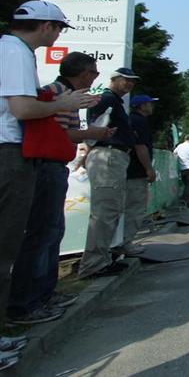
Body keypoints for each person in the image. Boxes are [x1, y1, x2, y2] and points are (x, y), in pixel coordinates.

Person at [7, 51, 110, 327]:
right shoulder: (57, 94)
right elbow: (59, 133)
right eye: (94, 72)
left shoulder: (66, 95)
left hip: (54, 165)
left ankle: (44, 294)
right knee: (42, 233)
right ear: (83, 73)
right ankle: (25, 303)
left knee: (52, 232)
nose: (96, 77)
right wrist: (92, 134)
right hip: (46, 166)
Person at [78, 67, 146, 279]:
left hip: (112, 156)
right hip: (107, 156)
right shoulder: (107, 99)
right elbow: (94, 128)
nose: (129, 84)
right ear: (114, 79)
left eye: (132, 81)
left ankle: (102, 259)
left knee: (111, 209)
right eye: (126, 80)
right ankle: (94, 264)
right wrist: (89, 149)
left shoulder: (114, 101)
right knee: (105, 211)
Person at [121, 95, 158, 254]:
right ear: (142, 106)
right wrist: (149, 169)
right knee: (135, 208)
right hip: (135, 171)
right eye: (150, 104)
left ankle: (122, 242)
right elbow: (140, 146)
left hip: (129, 170)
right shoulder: (139, 121)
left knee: (129, 207)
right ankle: (125, 243)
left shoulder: (132, 119)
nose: (152, 106)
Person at [173, 134, 189, 208]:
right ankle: (187, 201)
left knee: (186, 184)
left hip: (182, 168)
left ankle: (184, 198)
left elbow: (174, 153)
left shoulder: (179, 146)